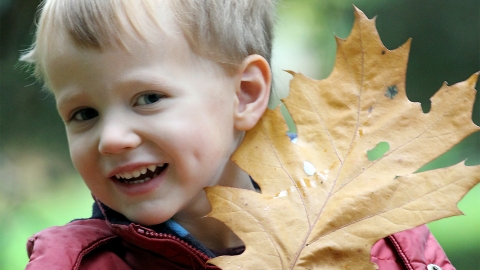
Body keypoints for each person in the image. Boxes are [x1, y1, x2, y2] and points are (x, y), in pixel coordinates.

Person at [21, 1, 454, 269]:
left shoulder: (376, 233)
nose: (111, 138)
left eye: (148, 97)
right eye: (83, 113)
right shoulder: (70, 263)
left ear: (245, 95)